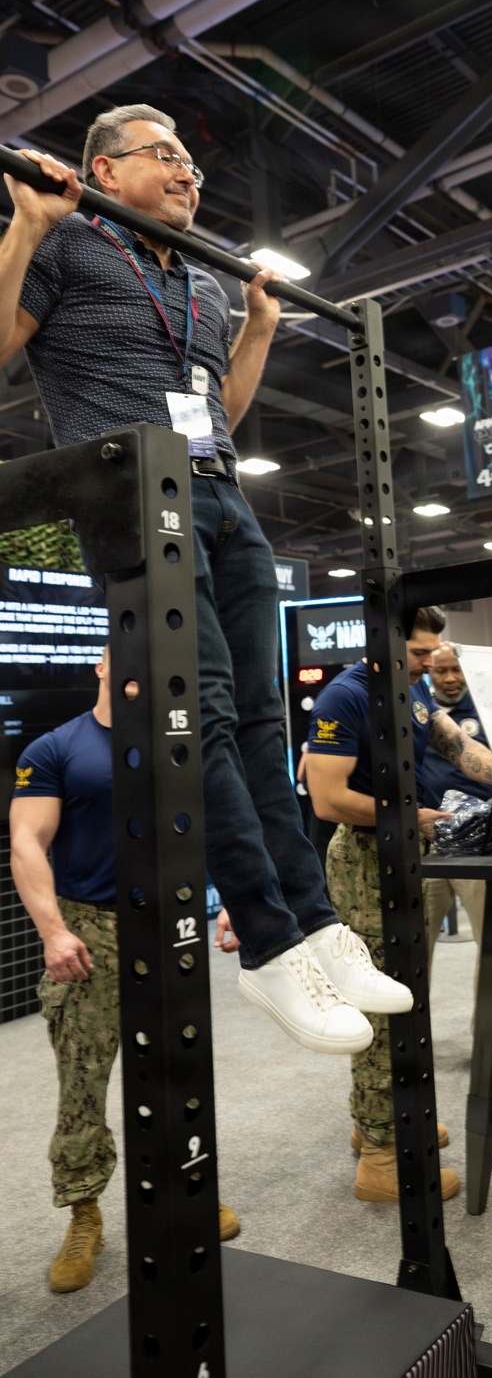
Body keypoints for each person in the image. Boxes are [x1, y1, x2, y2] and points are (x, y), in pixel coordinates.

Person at [0, 107, 405, 1054]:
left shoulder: (203, 284)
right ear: (105, 167)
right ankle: (268, 944)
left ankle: (315, 922)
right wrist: (25, 225)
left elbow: (214, 410)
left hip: (221, 495)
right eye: (165, 156)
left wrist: (258, 325)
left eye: (191, 159)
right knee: (210, 714)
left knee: (267, 719)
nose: (188, 173)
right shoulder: (64, 244)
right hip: (136, 497)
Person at [8, 648, 241, 1294]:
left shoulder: (184, 742)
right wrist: (54, 931)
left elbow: (217, 827)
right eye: (126, 658)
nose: (139, 671)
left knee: (179, 1066)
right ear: (102, 665)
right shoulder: (57, 747)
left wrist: (240, 900)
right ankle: (85, 1213)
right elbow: (28, 839)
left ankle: (190, 1187)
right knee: (83, 1079)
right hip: (91, 929)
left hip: (173, 924)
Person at [304, 607, 492, 1203]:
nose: (429, 663)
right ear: (384, 642)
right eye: (419, 653)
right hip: (366, 861)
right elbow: (327, 797)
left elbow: (458, 744)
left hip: (404, 851)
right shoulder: (344, 697)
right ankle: (383, 1157)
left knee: (406, 994)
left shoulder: (409, 685)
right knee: (379, 1006)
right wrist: (410, 817)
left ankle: (382, 1122)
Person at [421, 643, 488, 958]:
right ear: (428, 672)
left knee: (490, 943)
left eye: (456, 669)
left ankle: (486, 1010)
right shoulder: (415, 711)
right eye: (441, 670)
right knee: (415, 947)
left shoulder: (486, 710)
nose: (450, 678)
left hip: (474, 845)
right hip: (426, 843)